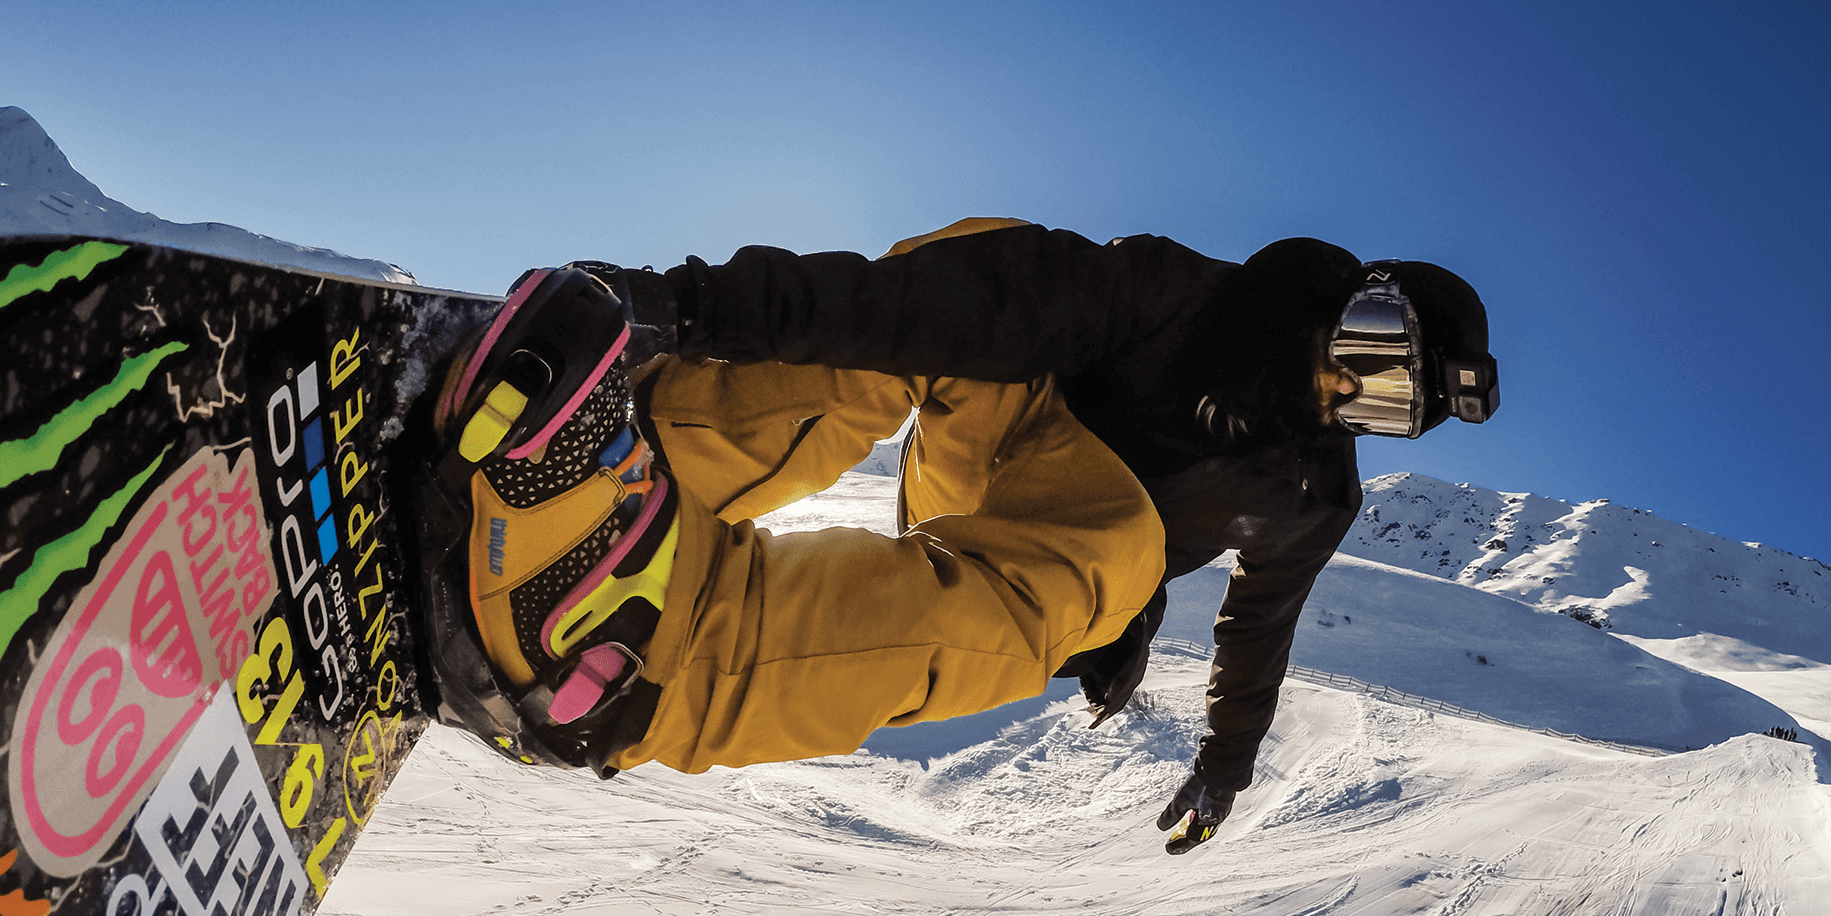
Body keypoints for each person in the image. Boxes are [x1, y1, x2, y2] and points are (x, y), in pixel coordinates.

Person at [418, 219, 1497, 851]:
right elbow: (946, 301)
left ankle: (652, 663)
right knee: (972, 279)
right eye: (1371, 345)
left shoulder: (1313, 494)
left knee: (1112, 569)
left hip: (1055, 540)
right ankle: (623, 434)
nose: (1349, 384)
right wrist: (678, 307)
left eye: (1389, 402)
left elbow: (1256, 629)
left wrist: (1226, 768)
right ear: (1353, 301)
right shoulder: (1185, 298)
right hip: (996, 428)